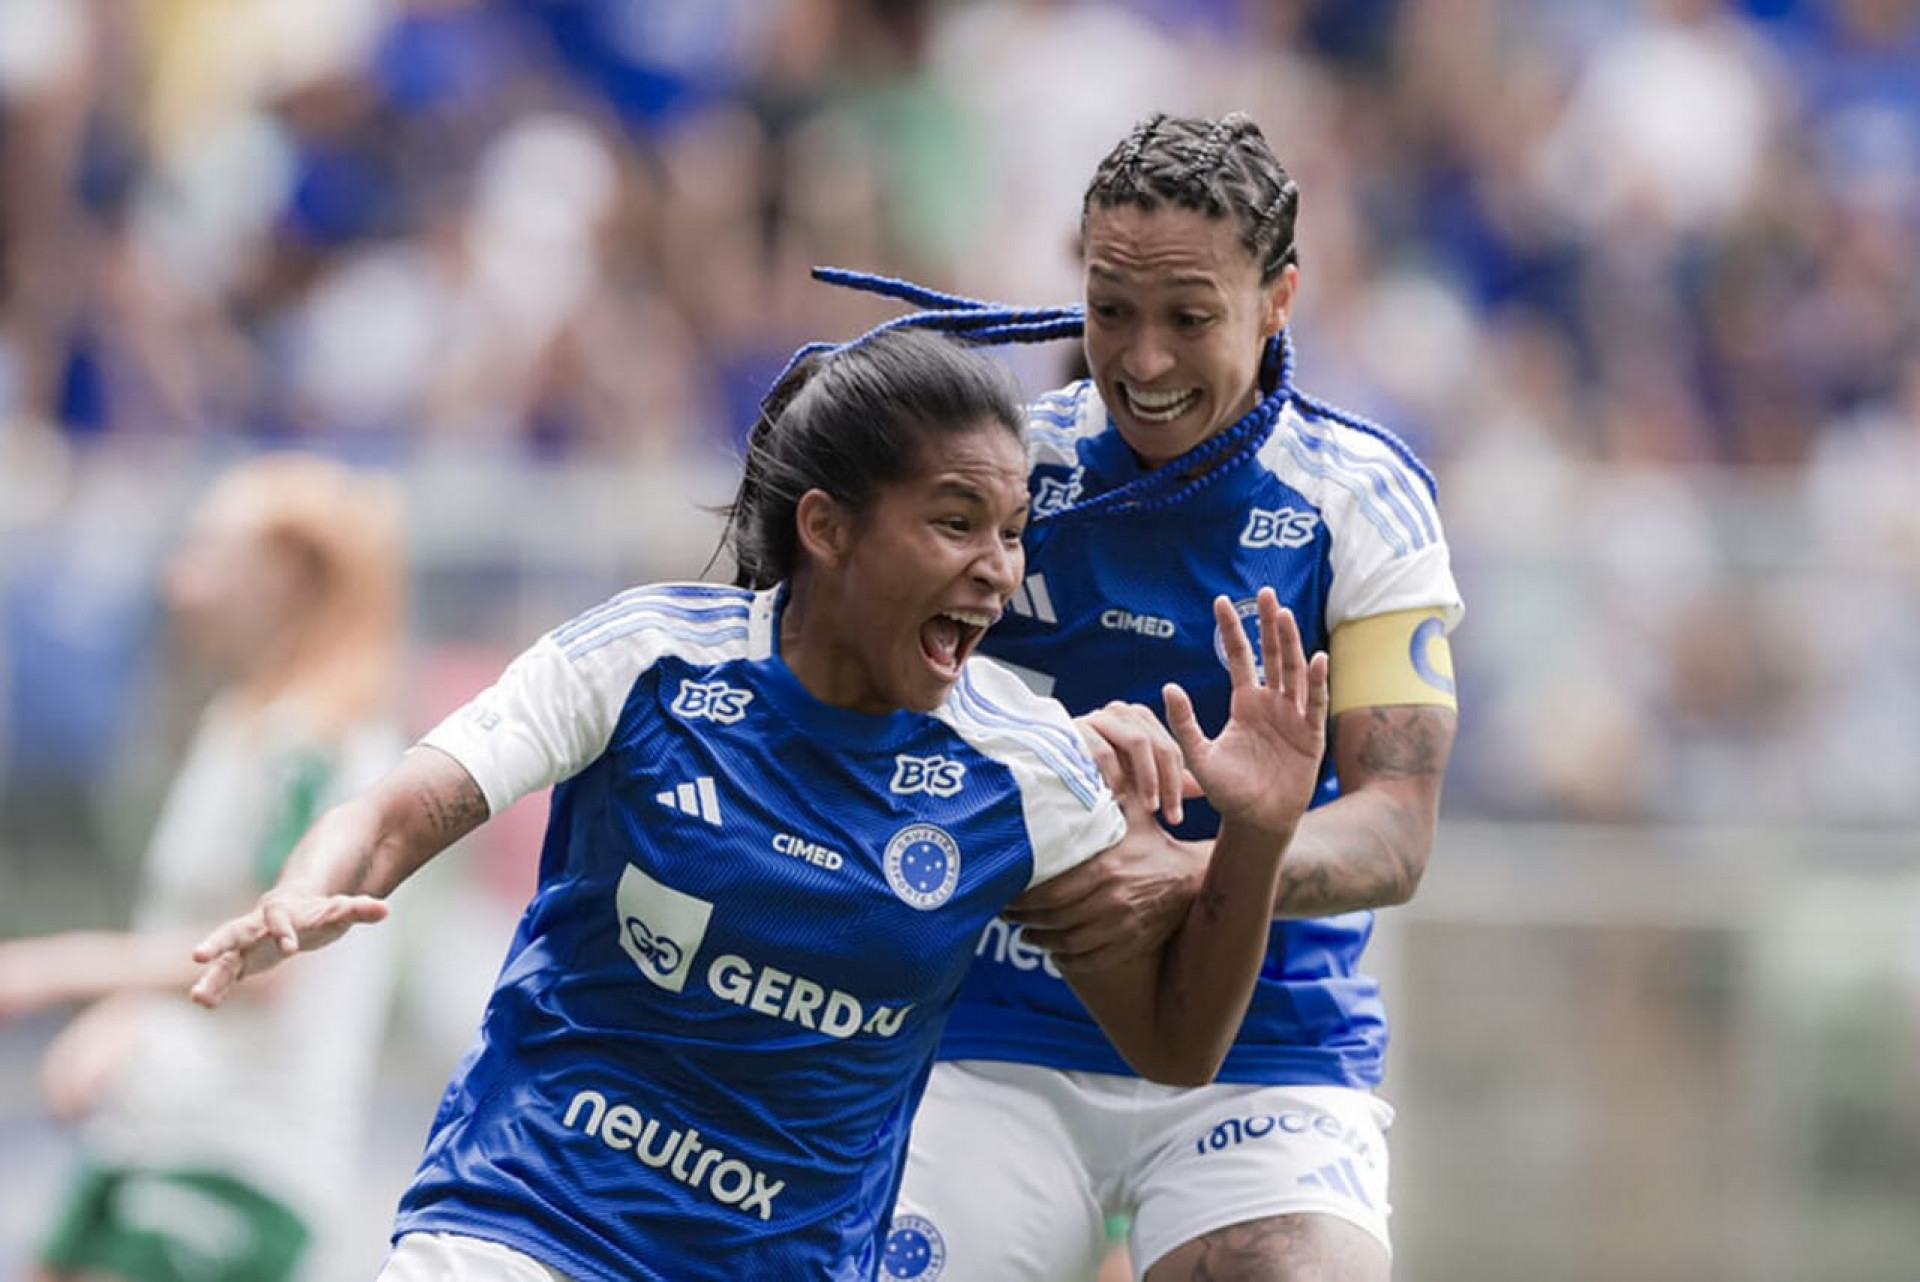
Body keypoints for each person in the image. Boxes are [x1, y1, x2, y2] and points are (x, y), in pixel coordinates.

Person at [186, 326, 1333, 1281]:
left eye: (1011, 532)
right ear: (826, 528)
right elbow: (397, 810)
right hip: (523, 1232)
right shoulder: (645, 659)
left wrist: (1262, 829)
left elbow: (1177, 1043)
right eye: (953, 522)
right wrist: (305, 887)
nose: (996, 567)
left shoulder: (1021, 767)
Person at [870, 112, 1465, 1281]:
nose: (1141, 362)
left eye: (1189, 319)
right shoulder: (1002, 472)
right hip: (992, 1032)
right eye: (1109, 311)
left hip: (1269, 1054)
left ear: (1279, 297)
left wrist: (1190, 871)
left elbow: (1396, 830)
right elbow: (868, 717)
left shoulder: (1363, 501)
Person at [0, 454, 408, 1282]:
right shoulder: (243, 725)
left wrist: (60, 965)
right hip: (150, 1127)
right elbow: (200, 920)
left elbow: (267, 959)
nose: (181, 580)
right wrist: (121, 1017)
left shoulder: (319, 747)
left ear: (288, 579)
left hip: (238, 1155)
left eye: (212, 552)